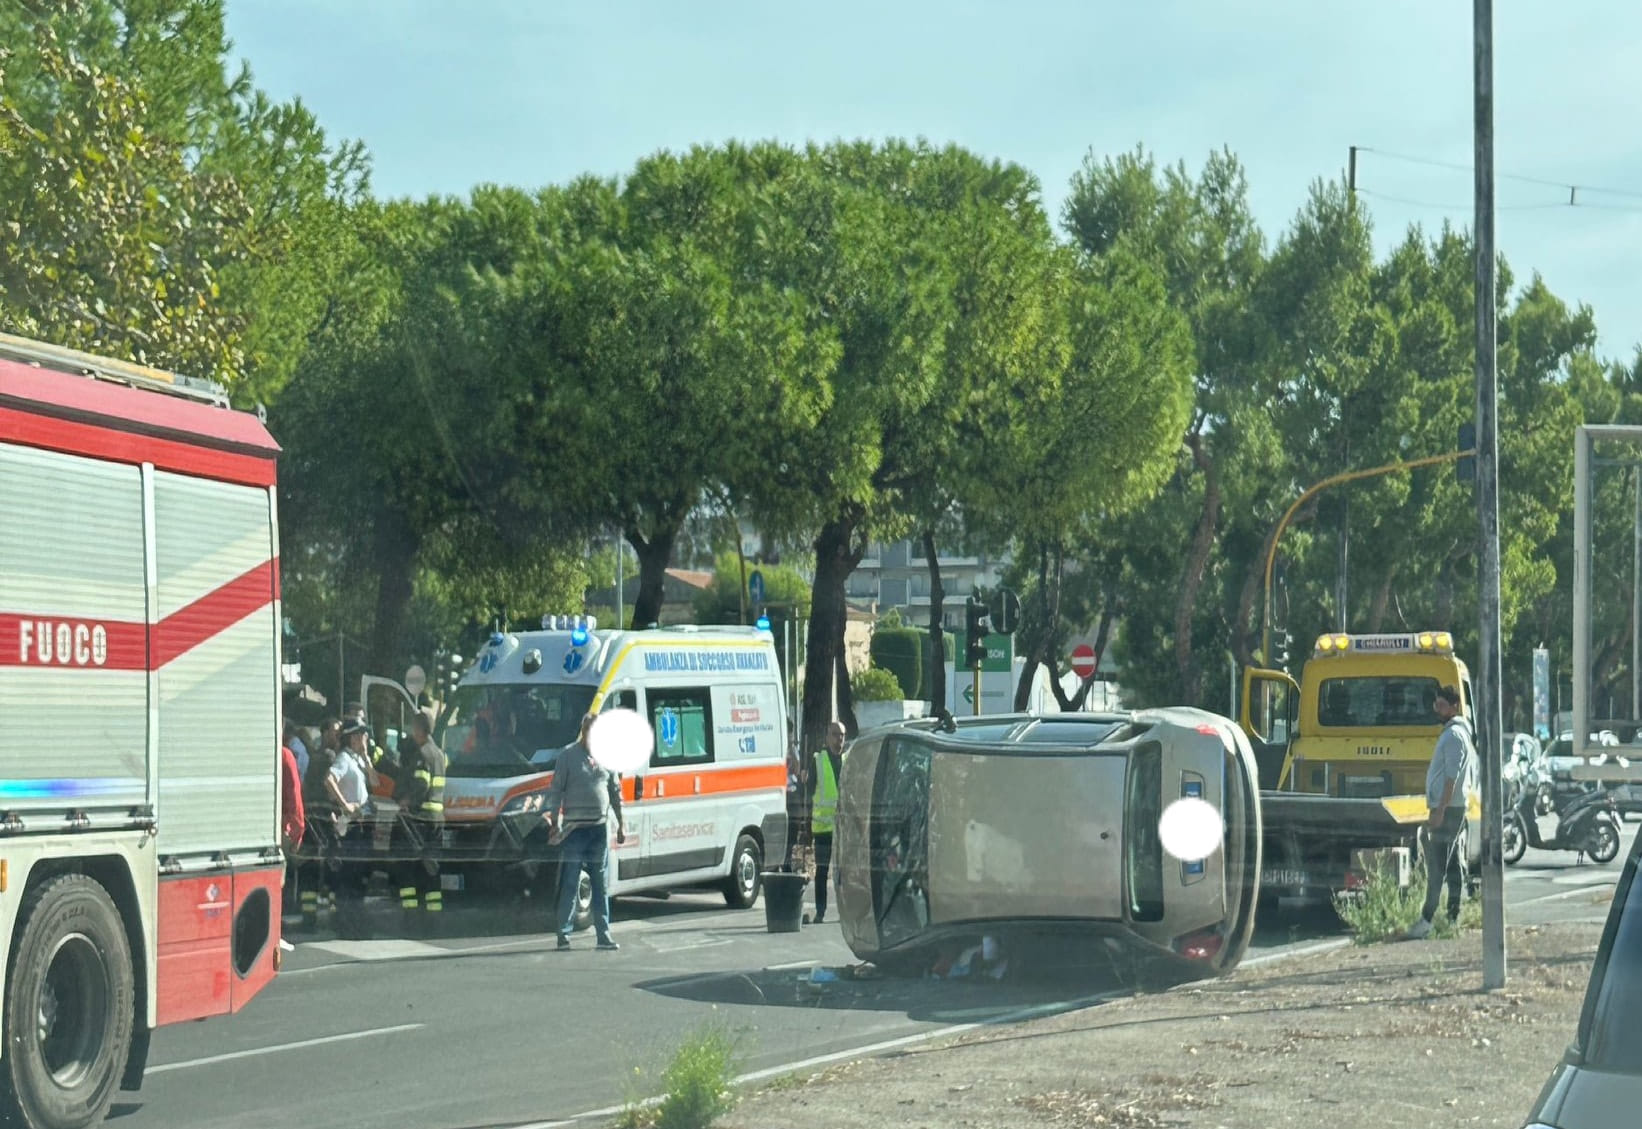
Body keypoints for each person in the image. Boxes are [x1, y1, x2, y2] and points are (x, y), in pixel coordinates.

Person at [540, 713, 624, 951]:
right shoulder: (568, 756)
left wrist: (621, 824)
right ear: (583, 732)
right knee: (570, 882)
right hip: (574, 830)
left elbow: (616, 791)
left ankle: (603, 935)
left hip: (599, 828)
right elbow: (556, 791)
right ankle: (563, 935)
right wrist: (555, 821)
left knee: (601, 884)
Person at [1406, 685, 1475, 940]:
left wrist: (1440, 810)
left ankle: (1426, 919)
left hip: (1449, 808)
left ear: (1455, 706)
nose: (1438, 709)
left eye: (1443, 705)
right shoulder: (1454, 733)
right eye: (1436, 705)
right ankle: (1452, 916)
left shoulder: (1455, 736)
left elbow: (1451, 779)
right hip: (1451, 807)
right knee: (1453, 863)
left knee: (1437, 866)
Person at [393, 711, 447, 917]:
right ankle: (434, 911)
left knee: (410, 866)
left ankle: (411, 913)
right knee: (432, 866)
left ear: (418, 730)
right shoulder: (440, 755)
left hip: (420, 819)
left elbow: (422, 783)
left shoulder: (422, 754)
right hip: (437, 818)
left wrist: (407, 801)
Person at [806, 721, 847, 925]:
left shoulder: (848, 760)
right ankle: (820, 911)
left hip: (843, 828)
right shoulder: (818, 760)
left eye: (842, 735)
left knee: (843, 872)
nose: (839, 739)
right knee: (822, 871)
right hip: (822, 828)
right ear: (827, 737)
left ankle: (845, 912)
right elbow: (809, 791)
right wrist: (805, 824)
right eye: (835, 735)